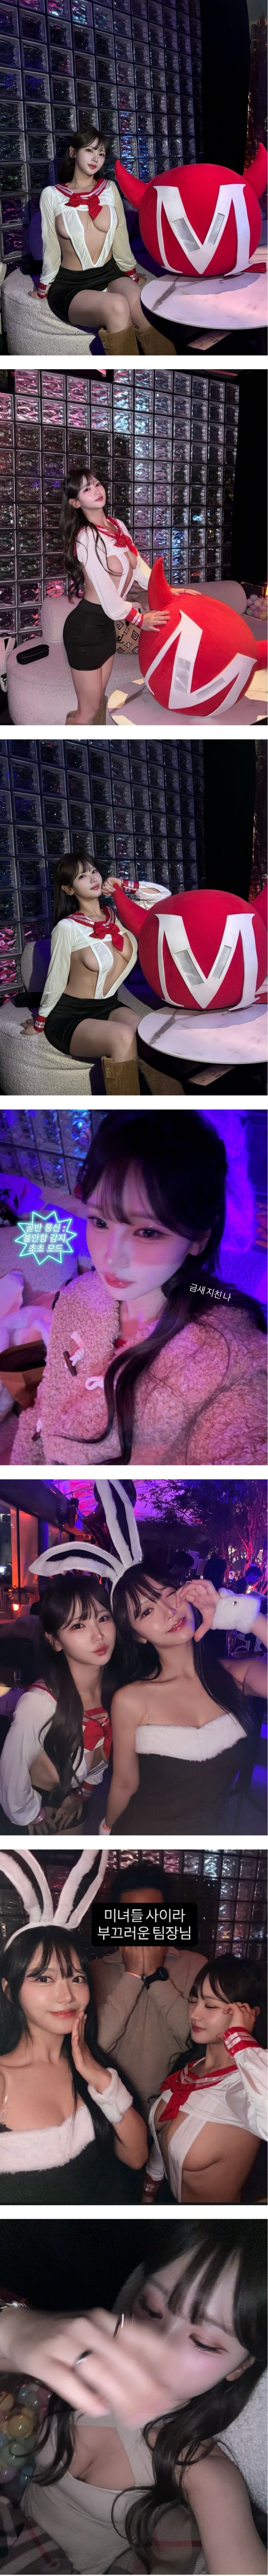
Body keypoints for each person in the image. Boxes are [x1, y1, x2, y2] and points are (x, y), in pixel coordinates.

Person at [1, 2221, 266, 2571]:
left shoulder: (205, 2472)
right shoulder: (87, 2357)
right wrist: (14, 2328)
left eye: (203, 2342)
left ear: (241, 2365)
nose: (158, 2346)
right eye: (151, 2308)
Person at [9, 1112, 268, 1468]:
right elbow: (45, 1409)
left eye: (147, 1232)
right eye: (100, 1221)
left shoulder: (233, 1365)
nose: (110, 1258)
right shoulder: (77, 1296)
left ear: (199, 1237)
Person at [105, 1562, 268, 1831]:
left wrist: (241, 1615)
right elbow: (125, 1784)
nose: (169, 1611)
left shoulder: (237, 1675)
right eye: (147, 1611)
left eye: (170, 1594)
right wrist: (104, 1838)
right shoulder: (131, 1699)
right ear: (137, 1636)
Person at [0, 1926, 147, 2204]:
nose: (67, 1995)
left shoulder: (93, 2069)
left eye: (77, 1978)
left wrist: (104, 2081)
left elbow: (137, 2157)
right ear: (9, 1990)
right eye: (44, 1978)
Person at [36, 122, 171, 355]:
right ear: (73, 152)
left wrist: (131, 273)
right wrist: (43, 287)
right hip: (71, 285)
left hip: (110, 273)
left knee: (140, 300)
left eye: (101, 154)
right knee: (117, 306)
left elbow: (120, 238)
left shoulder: (109, 189)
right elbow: (51, 247)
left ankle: (169, 370)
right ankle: (126, 376)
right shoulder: (52, 195)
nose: (95, 158)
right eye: (89, 150)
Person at [0, 1570, 119, 1831]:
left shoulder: (117, 1695)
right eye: (78, 1625)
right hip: (34, 1803)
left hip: (76, 1797)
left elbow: (102, 1756)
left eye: (103, 1618)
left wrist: (81, 1795)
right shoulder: (41, 1703)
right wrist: (33, 1813)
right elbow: (12, 1772)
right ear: (55, 1641)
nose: (98, 1635)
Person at [92, 1859, 207, 2122]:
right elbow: (95, 2045)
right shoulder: (96, 1971)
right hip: (115, 2113)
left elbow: (197, 2040)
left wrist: (156, 1976)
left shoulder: (196, 1966)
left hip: (180, 2110)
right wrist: (132, 1976)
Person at [21, 850, 143, 1093]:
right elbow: (56, 978)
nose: (93, 878)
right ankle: (127, 1114)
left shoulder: (117, 916)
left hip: (109, 1006)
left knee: (149, 1034)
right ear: (69, 889)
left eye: (94, 871)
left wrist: (122, 885)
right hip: (70, 1015)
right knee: (123, 1036)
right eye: (82, 876)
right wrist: (40, 1022)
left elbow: (162, 897)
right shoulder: (67, 928)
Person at [147, 1958, 267, 2204]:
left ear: (249, 2015)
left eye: (211, 2006)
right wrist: (150, 2189)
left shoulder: (244, 2086)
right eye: (193, 2000)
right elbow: (165, 2140)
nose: (194, 2013)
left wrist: (240, 2039)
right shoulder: (192, 2067)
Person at [58, 468, 168, 732]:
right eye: (87, 489)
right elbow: (107, 593)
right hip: (85, 630)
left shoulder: (117, 525)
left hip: (107, 627)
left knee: (99, 701)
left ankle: (93, 749)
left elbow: (140, 569)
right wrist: (140, 620)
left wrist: (168, 591)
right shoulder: (86, 537)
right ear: (76, 502)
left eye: (97, 484)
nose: (97, 491)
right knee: (88, 710)